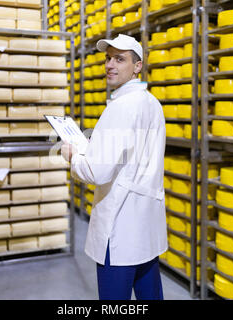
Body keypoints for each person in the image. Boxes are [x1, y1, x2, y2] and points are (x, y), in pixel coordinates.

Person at [61, 34, 167, 300]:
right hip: (145, 224)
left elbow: (97, 172)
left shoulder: (121, 107)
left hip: (119, 228)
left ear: (138, 66)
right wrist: (93, 147)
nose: (110, 64)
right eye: (108, 58)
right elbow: (132, 157)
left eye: (120, 59)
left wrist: (73, 156)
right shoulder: (151, 103)